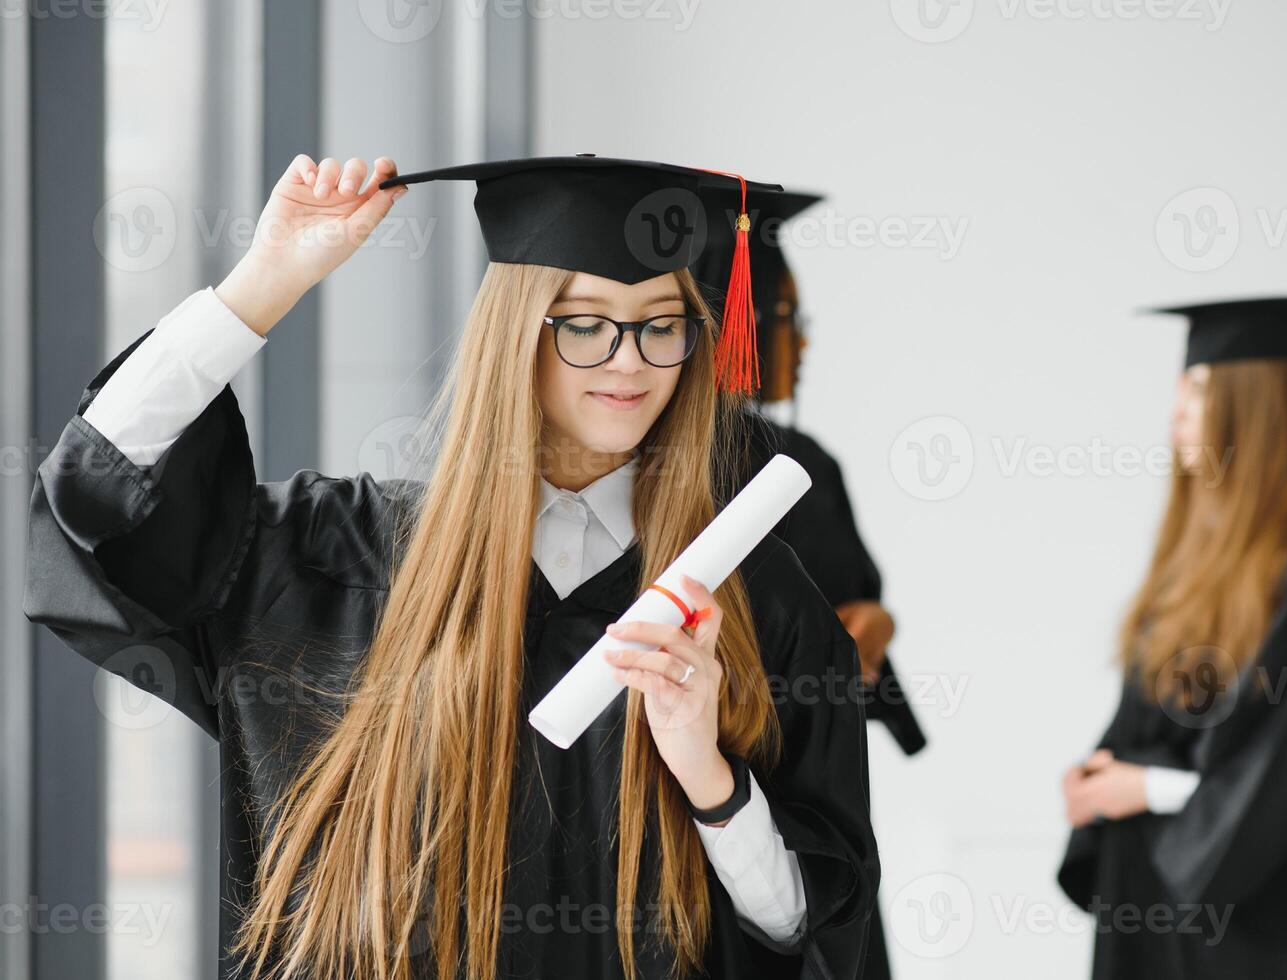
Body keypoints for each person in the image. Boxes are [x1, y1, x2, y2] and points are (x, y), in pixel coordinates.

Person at [25, 154, 880, 980]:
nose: (630, 359)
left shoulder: (752, 604)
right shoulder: (334, 556)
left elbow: (807, 927)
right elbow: (96, 505)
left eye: (662, 325)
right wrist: (266, 282)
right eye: (584, 322)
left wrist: (706, 768)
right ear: (516, 334)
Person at [1057, 297, 1287, 979]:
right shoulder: (1200, 556)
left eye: (1200, 390)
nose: (1176, 412)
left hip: (1243, 934)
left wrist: (1146, 789)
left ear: (1259, 409)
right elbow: (1151, 728)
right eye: (1180, 388)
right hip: (1148, 896)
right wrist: (1102, 781)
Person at [693, 188, 925, 980]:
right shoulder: (791, 463)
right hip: (793, 815)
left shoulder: (647, 466)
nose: (804, 343)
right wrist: (866, 638)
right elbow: (858, 625)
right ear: (743, 327)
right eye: (789, 319)